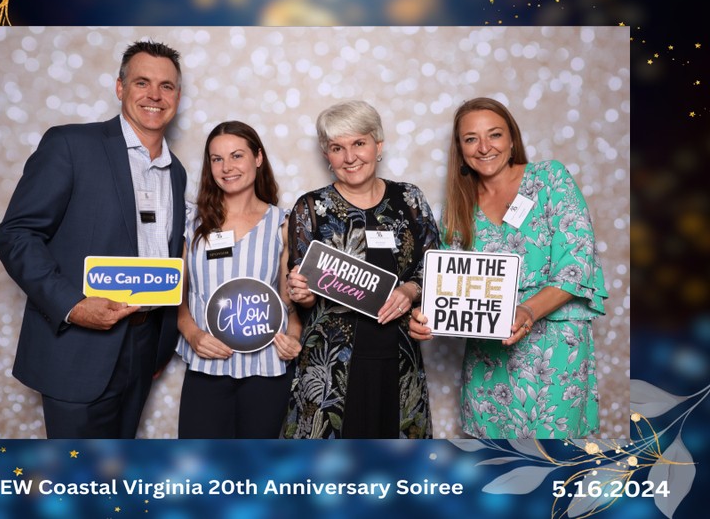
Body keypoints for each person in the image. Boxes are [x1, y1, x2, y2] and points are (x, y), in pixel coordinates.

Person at [0, 40, 187, 438]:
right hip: (78, 349)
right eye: (142, 82)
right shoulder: (71, 145)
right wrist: (73, 305)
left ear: (178, 97)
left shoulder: (177, 172)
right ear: (120, 88)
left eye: (166, 86)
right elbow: (15, 234)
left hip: (144, 346)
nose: (154, 95)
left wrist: (160, 343)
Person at [410, 97, 608, 439]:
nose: (484, 147)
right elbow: (452, 287)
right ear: (460, 148)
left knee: (552, 465)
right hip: (489, 362)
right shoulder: (459, 208)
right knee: (498, 467)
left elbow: (577, 263)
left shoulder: (550, 179)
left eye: (495, 135)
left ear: (512, 139)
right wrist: (426, 316)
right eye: (471, 138)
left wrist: (528, 310)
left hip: (554, 350)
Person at [282, 100, 440, 439]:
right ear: (327, 154)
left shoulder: (409, 200)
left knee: (396, 474)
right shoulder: (311, 208)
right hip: (330, 369)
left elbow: (435, 268)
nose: (350, 157)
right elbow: (302, 293)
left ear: (378, 145)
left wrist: (410, 291)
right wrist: (301, 294)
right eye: (337, 148)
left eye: (359, 143)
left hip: (398, 361)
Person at [176, 121, 302, 438]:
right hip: (207, 366)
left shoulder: (282, 223)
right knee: (200, 473)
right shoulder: (192, 221)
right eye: (216, 159)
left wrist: (295, 338)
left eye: (236, 156)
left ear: (258, 158)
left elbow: (289, 303)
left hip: (267, 368)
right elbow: (177, 293)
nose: (226, 167)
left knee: (260, 473)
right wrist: (192, 334)